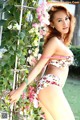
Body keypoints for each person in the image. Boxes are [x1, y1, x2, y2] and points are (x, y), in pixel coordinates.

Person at [9, 5, 76, 120]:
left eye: (66, 18)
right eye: (59, 20)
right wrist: (20, 90)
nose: (65, 23)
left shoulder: (60, 41)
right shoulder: (54, 41)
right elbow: (39, 66)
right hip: (50, 86)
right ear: (53, 24)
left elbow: (44, 67)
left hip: (51, 87)